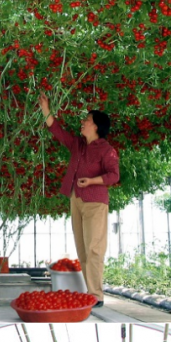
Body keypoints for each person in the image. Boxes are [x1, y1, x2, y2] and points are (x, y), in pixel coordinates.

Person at [38, 93, 120, 307]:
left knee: (94, 248)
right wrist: (46, 109)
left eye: (87, 120)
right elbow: (57, 132)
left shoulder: (107, 150)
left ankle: (96, 295)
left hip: (95, 201)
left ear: (96, 127)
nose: (83, 122)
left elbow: (114, 175)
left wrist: (92, 181)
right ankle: (90, 293)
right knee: (83, 248)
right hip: (77, 200)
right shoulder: (78, 145)